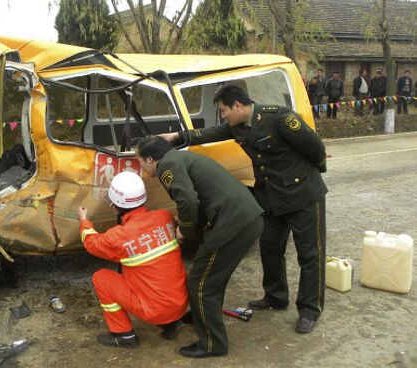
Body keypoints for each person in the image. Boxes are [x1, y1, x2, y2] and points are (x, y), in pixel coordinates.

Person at [161, 84, 327, 335]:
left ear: (238, 106)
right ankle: (276, 296)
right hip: (271, 197)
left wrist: (308, 176)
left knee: (309, 254)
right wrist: (176, 137)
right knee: (270, 248)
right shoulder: (238, 126)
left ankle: (309, 309)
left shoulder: (279, 117)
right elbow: (211, 133)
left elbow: (315, 147)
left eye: (224, 110)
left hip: (302, 194)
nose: (223, 115)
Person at [136, 136, 264, 359]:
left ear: (150, 159)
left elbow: (187, 200)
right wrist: (187, 221)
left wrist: (183, 231)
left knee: (200, 282)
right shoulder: (180, 157)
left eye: (140, 161)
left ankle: (213, 344)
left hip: (234, 223)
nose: (141, 167)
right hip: (246, 218)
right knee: (211, 277)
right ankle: (200, 316)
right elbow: (199, 197)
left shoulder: (168, 164)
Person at [78, 171, 188, 349]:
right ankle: (172, 322)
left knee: (102, 278)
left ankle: (123, 335)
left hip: (154, 312)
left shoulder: (118, 236)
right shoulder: (165, 217)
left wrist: (84, 221)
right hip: (181, 304)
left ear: (114, 206)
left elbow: (91, 243)